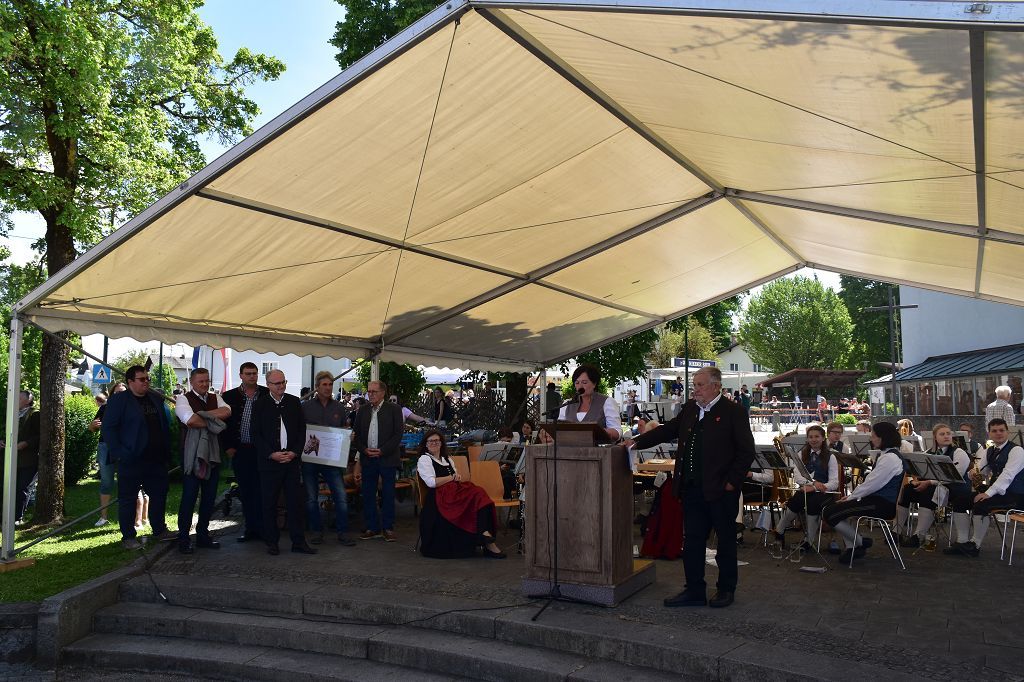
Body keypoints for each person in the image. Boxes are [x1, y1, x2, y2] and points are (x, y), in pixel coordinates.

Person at [626, 367, 755, 609]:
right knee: (693, 540)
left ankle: (726, 588)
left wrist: (731, 482)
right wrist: (635, 442)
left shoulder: (733, 411)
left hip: (721, 490)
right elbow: (667, 430)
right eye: (694, 385)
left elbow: (746, 450)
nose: (695, 390)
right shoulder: (690, 409)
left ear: (716, 386)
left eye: (700, 385)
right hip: (692, 488)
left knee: (725, 540)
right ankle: (694, 589)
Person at [101, 366, 176, 549]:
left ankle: (159, 529)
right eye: (142, 379)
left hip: (156, 458)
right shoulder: (119, 400)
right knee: (128, 499)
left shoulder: (155, 398)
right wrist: (120, 453)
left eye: (147, 378)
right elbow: (109, 428)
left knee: (159, 494)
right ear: (130, 382)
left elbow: (164, 424)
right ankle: (128, 537)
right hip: (131, 459)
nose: (146, 382)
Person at [821, 421, 905, 564]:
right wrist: (852, 497)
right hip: (876, 500)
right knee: (835, 511)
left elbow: (872, 484)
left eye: (873, 436)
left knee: (830, 513)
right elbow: (872, 484)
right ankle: (854, 546)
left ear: (883, 437)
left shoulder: (890, 458)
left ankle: (860, 543)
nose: (871, 439)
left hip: (882, 504)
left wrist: (851, 497)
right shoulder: (888, 455)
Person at [252, 369, 315, 555]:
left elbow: (302, 430)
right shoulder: (260, 404)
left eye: (283, 382)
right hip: (270, 462)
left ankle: (298, 542)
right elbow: (255, 434)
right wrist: (271, 454)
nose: (281, 386)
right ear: (268, 385)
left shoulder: (294, 402)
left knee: (295, 503)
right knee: (269, 503)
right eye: (277, 383)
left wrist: (294, 452)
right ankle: (272, 542)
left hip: (291, 461)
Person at [416, 430, 506, 559]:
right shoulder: (425, 459)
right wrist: (451, 478)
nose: (434, 443)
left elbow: (455, 477)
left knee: (479, 493)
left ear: (441, 443)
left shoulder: (447, 459)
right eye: (431, 441)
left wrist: (456, 477)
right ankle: (485, 537)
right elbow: (431, 482)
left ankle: (484, 533)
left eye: (437, 441)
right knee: (476, 494)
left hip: (453, 493)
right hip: (439, 498)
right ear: (426, 444)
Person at [945, 418, 1024, 557]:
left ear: (1007, 432)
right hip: (997, 493)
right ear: (989, 434)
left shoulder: (1017, 450)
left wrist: (988, 493)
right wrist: (973, 473)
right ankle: (962, 542)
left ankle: (974, 545)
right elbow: (981, 470)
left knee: (981, 503)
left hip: (1016, 495)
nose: (998, 433)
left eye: (1001, 430)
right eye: (994, 431)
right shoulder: (990, 451)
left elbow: (1007, 475)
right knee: (960, 501)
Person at [174, 368, 231, 554]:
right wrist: (215, 420)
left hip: (212, 454)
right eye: (201, 381)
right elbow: (190, 421)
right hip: (191, 455)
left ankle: (203, 535)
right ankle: (183, 538)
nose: (205, 384)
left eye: (207, 380)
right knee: (189, 497)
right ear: (192, 382)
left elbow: (227, 411)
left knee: (209, 497)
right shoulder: (183, 399)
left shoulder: (216, 397)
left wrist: (203, 416)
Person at [301, 371, 356, 546]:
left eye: (330, 384)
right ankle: (316, 532)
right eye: (324, 384)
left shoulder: (339, 407)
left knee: (340, 496)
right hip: (310, 459)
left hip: (332, 460)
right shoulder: (305, 407)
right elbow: (299, 430)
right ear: (317, 387)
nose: (328, 387)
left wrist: (349, 435)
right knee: (311, 498)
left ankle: (343, 533)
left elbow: (345, 428)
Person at [897, 423, 969, 548]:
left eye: (948, 433)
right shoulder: (929, 452)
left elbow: (955, 476)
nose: (946, 436)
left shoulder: (959, 452)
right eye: (942, 434)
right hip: (934, 487)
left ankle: (918, 536)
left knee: (929, 491)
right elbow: (920, 472)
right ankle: (895, 532)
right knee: (908, 490)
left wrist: (929, 482)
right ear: (935, 437)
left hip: (955, 489)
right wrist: (916, 481)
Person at [352, 379, 404, 541]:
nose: (371, 394)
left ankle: (388, 528)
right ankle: (372, 527)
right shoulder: (363, 410)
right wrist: (364, 450)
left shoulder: (394, 409)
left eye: (374, 391)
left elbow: (398, 435)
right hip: (368, 458)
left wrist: (382, 451)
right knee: (368, 494)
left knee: (388, 493)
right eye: (369, 391)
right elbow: (356, 435)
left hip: (387, 458)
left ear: (383, 393)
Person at [221, 362, 267, 543]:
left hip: (261, 450)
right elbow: (223, 425)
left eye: (254, 373)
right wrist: (228, 446)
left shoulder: (266, 394)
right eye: (248, 373)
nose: (252, 376)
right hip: (240, 449)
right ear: (241, 375)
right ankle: (250, 528)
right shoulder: (229, 396)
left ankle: (262, 529)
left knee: (261, 489)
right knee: (245, 491)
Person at [772, 425, 838, 550]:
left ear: (823, 438)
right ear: (807, 439)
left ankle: (809, 540)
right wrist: (813, 484)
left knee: (812, 502)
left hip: (824, 493)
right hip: (806, 489)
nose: (813, 439)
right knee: (795, 501)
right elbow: (798, 477)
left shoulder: (831, 457)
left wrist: (816, 487)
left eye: (817, 436)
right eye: (810, 437)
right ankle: (780, 530)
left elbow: (834, 483)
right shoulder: (801, 454)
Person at [541, 365, 621, 442]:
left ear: (594, 384)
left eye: (584, 382)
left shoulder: (607, 402)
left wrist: (599, 432)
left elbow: (617, 432)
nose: (580, 386)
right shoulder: (567, 404)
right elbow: (560, 430)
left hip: (599, 450)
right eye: (577, 383)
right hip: (570, 449)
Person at [2, 391, 41, 525]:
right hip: (10, 458)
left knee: (22, 488)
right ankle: (6, 516)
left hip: (28, 459)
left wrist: (26, 444)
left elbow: (40, 435)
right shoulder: (11, 413)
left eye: (19, 398)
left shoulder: (35, 414)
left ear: (28, 400)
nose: (15, 400)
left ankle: (17, 517)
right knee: (8, 487)